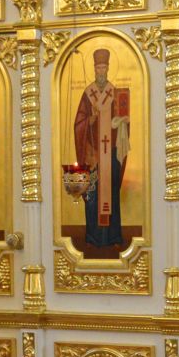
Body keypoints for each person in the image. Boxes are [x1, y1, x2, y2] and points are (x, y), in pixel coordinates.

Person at [73, 48, 130, 250]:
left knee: (111, 194)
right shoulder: (87, 94)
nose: (101, 70)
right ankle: (93, 237)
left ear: (108, 68)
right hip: (93, 154)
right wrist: (91, 119)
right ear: (94, 68)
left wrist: (123, 122)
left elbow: (123, 120)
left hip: (111, 154)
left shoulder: (116, 93)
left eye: (104, 67)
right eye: (98, 67)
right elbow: (78, 123)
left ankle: (113, 237)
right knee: (93, 196)